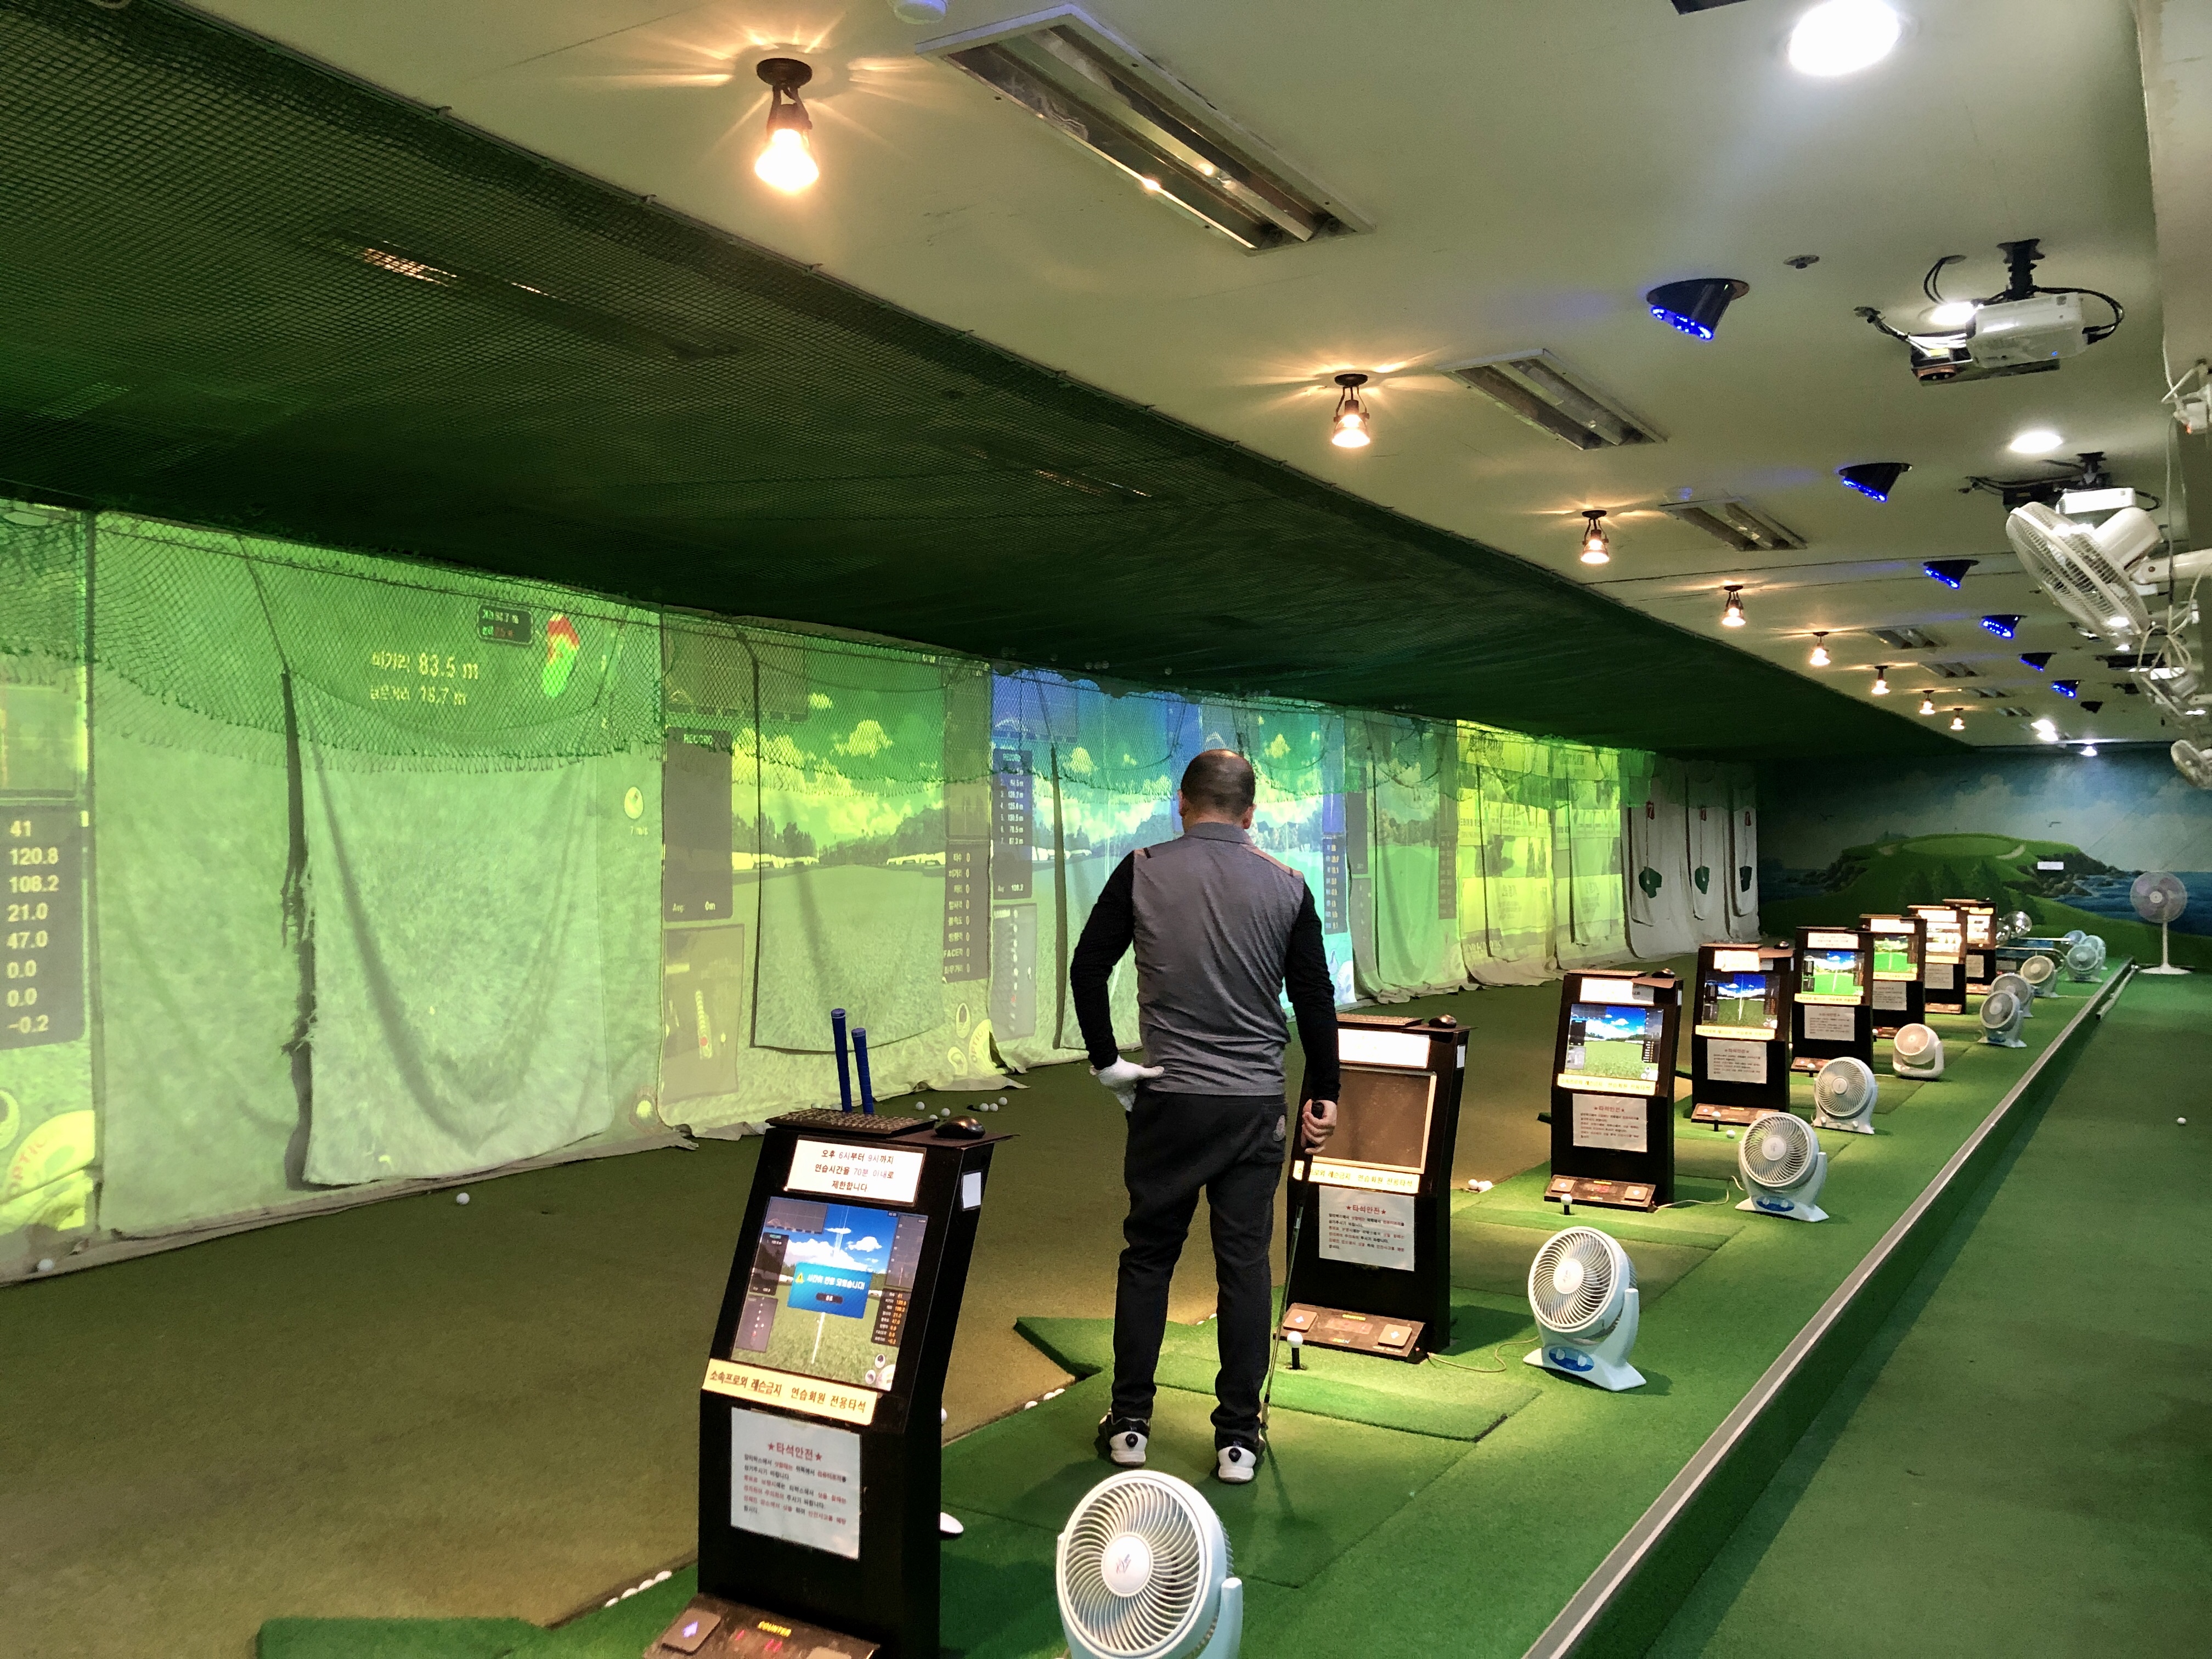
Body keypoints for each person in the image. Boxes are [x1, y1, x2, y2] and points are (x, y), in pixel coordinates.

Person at [1068, 748, 1339, 1484]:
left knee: (1149, 1256)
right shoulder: (1288, 884)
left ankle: (1129, 1425)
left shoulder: (1142, 867)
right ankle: (1237, 1440)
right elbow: (1314, 998)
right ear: (1250, 813)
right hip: (1253, 1106)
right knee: (1244, 1266)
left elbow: (1088, 967)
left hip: (1170, 1101)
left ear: (1182, 802)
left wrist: (1107, 1063)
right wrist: (1324, 1091)